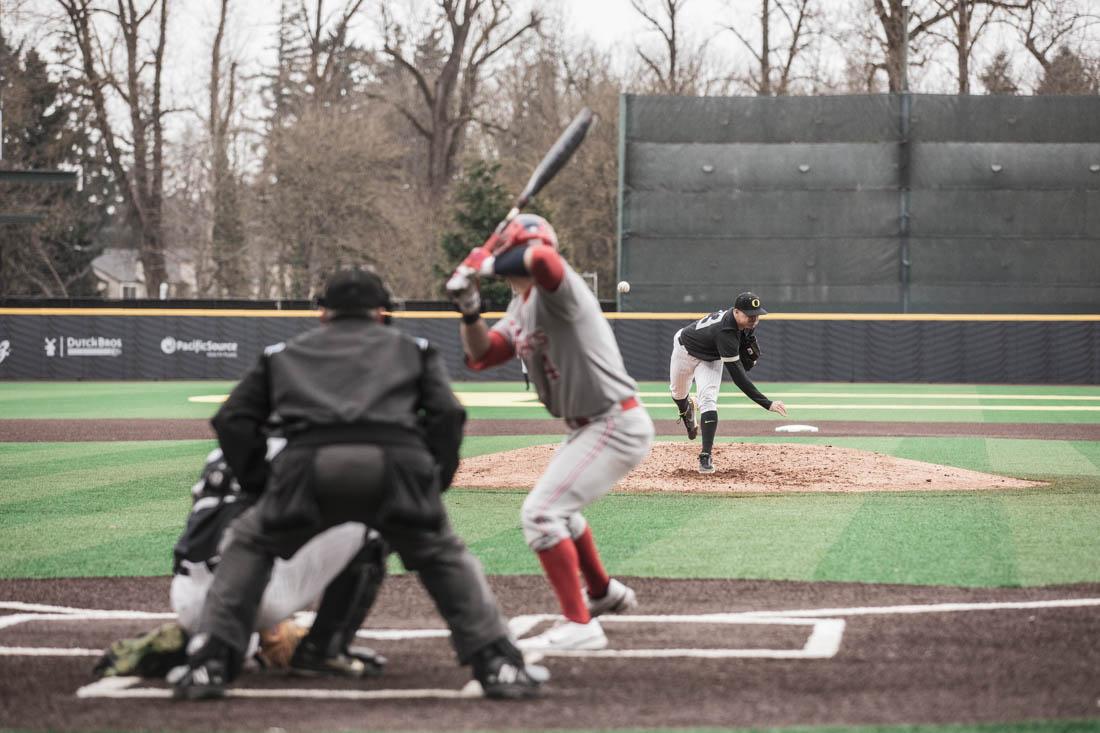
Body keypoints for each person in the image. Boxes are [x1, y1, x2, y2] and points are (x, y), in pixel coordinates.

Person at [171, 266, 545, 701]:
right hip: (395, 465)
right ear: (382, 314)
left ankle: (210, 662)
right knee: (441, 553)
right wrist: (432, 480)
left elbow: (232, 420)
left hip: (307, 468)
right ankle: (497, 662)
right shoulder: (416, 350)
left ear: (323, 314)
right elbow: (448, 416)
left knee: (252, 542)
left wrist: (262, 483)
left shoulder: (282, 354)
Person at [447, 214, 655, 652]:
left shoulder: (560, 290)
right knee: (561, 512)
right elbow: (484, 355)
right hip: (589, 426)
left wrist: (484, 264)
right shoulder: (520, 307)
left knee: (541, 515)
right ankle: (601, 593)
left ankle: (580, 626)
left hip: (612, 421)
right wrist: (468, 309)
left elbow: (542, 258)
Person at [94, 448, 387, 680]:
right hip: (251, 596)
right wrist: (272, 628)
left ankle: (207, 641)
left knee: (241, 539)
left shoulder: (222, 451)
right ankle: (322, 650)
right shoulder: (305, 448)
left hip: (186, 594)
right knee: (374, 522)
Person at [669, 291, 788, 474]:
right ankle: (687, 411)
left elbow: (742, 349)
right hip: (685, 350)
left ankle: (705, 455)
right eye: (749, 314)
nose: (754, 319)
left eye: (757, 315)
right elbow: (738, 378)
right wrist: (767, 403)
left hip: (711, 358)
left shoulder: (747, 324)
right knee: (678, 394)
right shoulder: (725, 332)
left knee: (708, 400)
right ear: (736, 312)